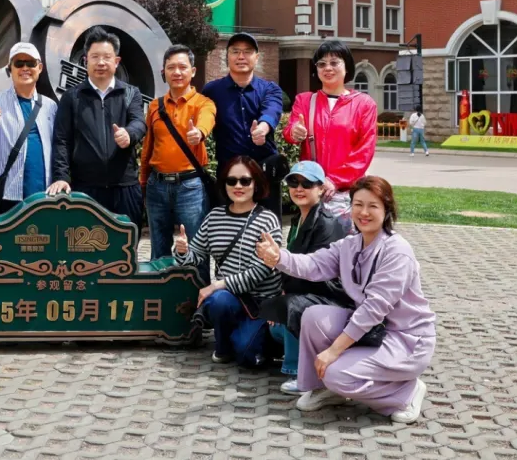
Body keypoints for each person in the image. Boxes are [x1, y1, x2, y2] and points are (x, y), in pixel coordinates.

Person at [256, 176, 436, 424]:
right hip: (373, 331)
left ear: (387, 210)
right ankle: (324, 388)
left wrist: (333, 351)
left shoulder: (397, 251)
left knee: (337, 374)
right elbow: (314, 264)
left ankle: (405, 392)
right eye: (358, 204)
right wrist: (279, 258)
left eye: (372, 206)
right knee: (313, 316)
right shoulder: (350, 245)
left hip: (405, 340)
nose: (364, 212)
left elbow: (373, 310)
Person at [173, 157, 282, 367]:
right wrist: (182, 251)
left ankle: (254, 339)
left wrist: (216, 285)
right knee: (218, 301)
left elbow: (260, 272)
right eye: (231, 181)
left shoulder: (267, 220)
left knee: (247, 356)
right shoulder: (214, 217)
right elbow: (196, 255)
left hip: (260, 303)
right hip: (231, 298)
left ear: (256, 184)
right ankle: (223, 347)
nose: (238, 186)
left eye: (245, 181)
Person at [259, 161, 351, 394]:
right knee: (274, 326)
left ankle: (299, 373)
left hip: (328, 298)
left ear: (321, 189)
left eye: (307, 184)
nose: (299, 188)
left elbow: (319, 273)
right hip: (306, 292)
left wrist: (285, 297)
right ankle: (307, 356)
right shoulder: (298, 220)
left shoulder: (327, 224)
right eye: (293, 182)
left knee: (291, 307)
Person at [48, 27, 146, 232]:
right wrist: (61, 177)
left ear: (116, 61)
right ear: (86, 61)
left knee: (125, 246)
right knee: (86, 245)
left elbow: (139, 122)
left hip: (124, 187)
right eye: (95, 57)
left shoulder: (130, 93)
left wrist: (129, 134)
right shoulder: (72, 97)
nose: (101, 62)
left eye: (107, 57)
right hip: (86, 189)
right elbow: (61, 140)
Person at [283, 40, 377, 229]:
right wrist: (294, 132)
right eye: (322, 64)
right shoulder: (305, 101)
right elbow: (290, 132)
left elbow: (364, 151)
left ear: (347, 67)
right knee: (310, 244)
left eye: (334, 63)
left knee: (344, 243)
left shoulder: (364, 104)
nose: (328, 68)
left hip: (346, 193)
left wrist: (334, 180)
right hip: (311, 190)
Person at [140, 45, 216, 273]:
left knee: (196, 249)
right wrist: (143, 181)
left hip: (190, 186)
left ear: (193, 71)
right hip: (157, 186)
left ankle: (199, 293)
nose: (177, 72)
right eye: (171, 67)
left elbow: (207, 119)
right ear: (163, 72)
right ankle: (160, 294)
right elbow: (148, 147)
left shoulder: (203, 103)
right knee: (158, 251)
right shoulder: (156, 106)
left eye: (182, 67)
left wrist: (199, 133)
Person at [202, 33, 286, 221]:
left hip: (264, 173)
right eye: (235, 51)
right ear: (227, 56)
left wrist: (263, 128)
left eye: (247, 52)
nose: (241, 56)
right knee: (227, 228)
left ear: (257, 57)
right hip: (230, 176)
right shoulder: (211, 90)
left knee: (268, 228)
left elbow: (272, 110)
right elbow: (203, 116)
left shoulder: (270, 89)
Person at [0, 42, 57, 214]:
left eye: (30, 63)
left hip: (44, 193)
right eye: (19, 63)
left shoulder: (50, 106)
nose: (25, 68)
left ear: (40, 68)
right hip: (8, 194)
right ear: (10, 69)